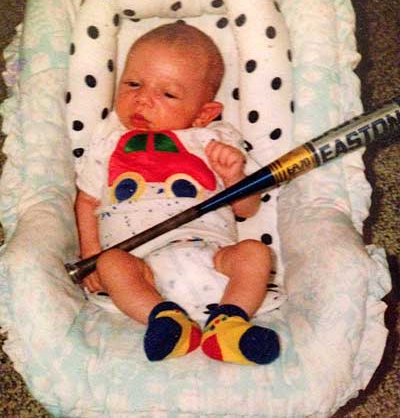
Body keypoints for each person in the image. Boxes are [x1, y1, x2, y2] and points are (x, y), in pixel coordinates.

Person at [75, 22, 279, 365]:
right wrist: (91, 255)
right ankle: (165, 320)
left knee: (255, 254)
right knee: (111, 263)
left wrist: (234, 176)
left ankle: (229, 322)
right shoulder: (109, 142)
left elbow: (246, 210)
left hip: (214, 256)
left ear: (203, 114)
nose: (143, 98)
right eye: (133, 84)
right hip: (139, 265)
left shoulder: (213, 140)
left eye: (167, 94)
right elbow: (87, 200)